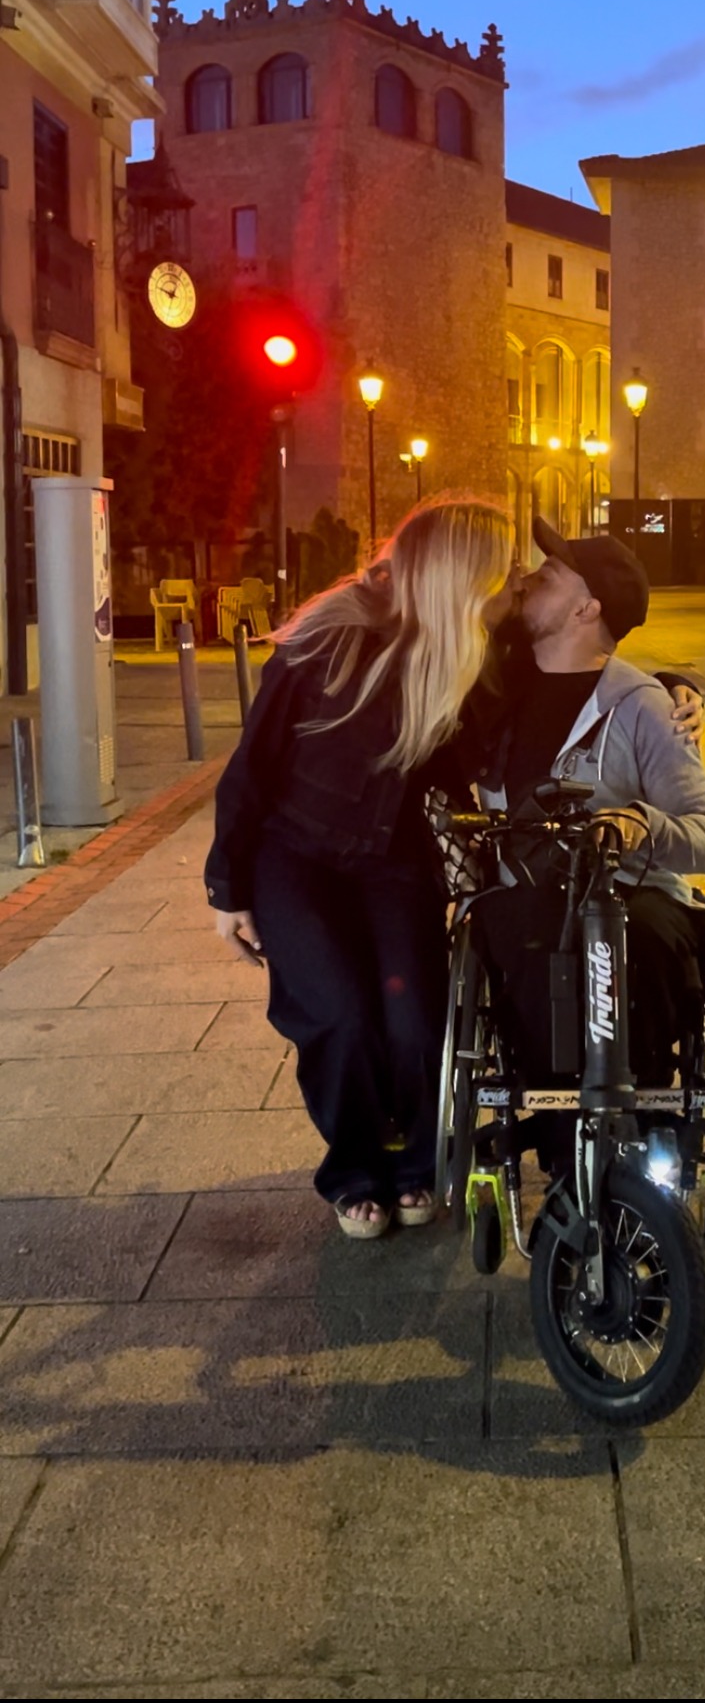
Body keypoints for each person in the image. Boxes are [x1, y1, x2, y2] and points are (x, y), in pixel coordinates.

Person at [204, 496, 515, 1241]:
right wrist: (228, 887)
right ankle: (353, 1168)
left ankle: (413, 1158)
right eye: (497, 579)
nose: (507, 594)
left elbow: (569, 676)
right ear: (457, 578)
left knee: (414, 1020)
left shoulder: (465, 650)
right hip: (296, 857)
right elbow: (253, 767)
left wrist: (668, 688)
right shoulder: (326, 639)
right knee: (339, 1013)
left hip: (395, 861)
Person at [470, 519, 705, 1102]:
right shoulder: (491, 689)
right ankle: (556, 1117)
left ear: (587, 608)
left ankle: (638, 1107)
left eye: (551, 573)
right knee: (514, 937)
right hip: (525, 896)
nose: (530, 579)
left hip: (631, 894)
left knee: (644, 943)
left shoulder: (645, 710)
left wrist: (643, 825)